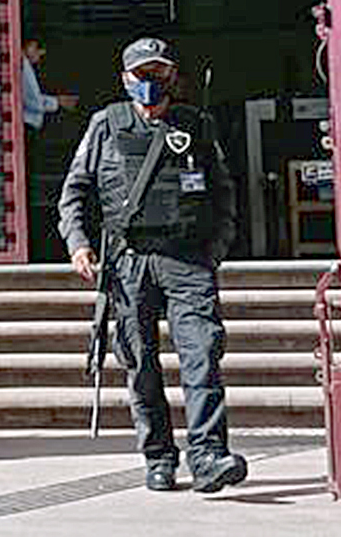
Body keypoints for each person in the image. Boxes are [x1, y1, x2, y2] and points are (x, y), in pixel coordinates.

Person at [56, 36, 245, 494]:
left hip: (187, 259)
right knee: (140, 363)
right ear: (126, 79)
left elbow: (224, 195)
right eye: (143, 75)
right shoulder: (106, 125)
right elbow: (75, 192)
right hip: (129, 261)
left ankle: (208, 457)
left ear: (172, 77)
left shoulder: (196, 125)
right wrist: (79, 243)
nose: (151, 83)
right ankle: (158, 457)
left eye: (159, 74)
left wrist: (213, 250)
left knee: (202, 356)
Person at [21, 37, 78, 206]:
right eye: (38, 49)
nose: (40, 55)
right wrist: (58, 102)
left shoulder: (24, 65)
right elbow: (34, 102)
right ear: (29, 45)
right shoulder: (23, 65)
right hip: (27, 126)